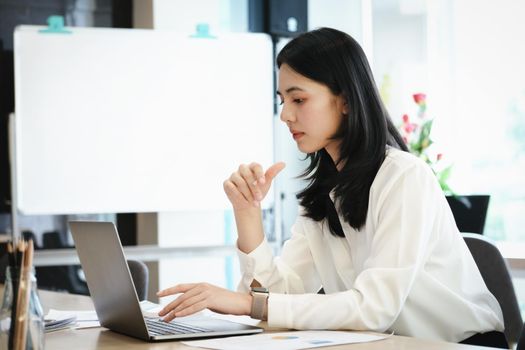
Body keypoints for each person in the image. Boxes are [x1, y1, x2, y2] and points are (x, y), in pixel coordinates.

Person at [156, 27, 505, 346]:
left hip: (458, 345)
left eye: (298, 99)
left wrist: (249, 304)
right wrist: (248, 216)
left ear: (346, 100)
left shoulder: (404, 177)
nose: (285, 115)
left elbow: (373, 308)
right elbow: (283, 295)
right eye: (282, 100)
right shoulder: (326, 190)